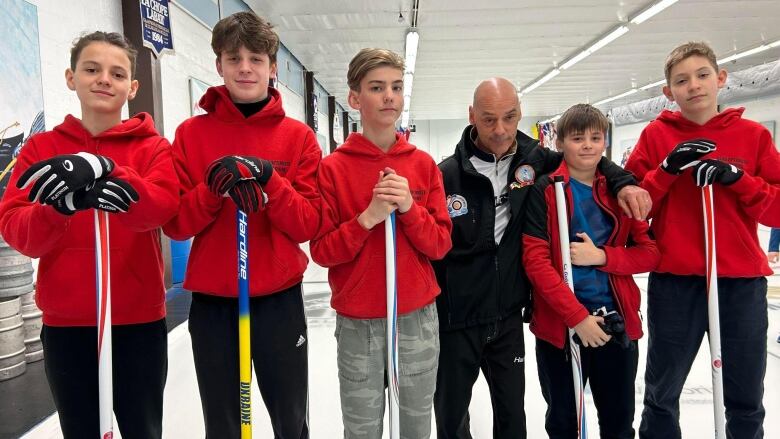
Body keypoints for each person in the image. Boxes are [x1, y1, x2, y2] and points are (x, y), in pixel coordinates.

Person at [432, 77, 651, 438]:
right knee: (451, 418)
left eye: (510, 117)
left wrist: (623, 181)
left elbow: (585, 160)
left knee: (512, 419)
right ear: (471, 115)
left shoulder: (534, 159)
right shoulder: (446, 175)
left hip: (506, 316)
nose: (501, 130)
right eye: (488, 120)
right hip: (458, 316)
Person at [0, 31, 179, 438]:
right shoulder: (40, 151)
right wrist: (57, 208)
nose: (104, 80)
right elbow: (18, 231)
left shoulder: (153, 149)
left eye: (117, 74)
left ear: (132, 87)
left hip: (137, 322)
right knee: (79, 430)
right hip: (68, 325)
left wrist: (110, 171)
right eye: (92, 69)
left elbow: (164, 208)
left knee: (143, 429)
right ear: (70, 77)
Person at [162, 12, 320, 438]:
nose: (245, 67)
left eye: (256, 58)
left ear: (273, 67)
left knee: (291, 419)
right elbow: (175, 224)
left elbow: (307, 222)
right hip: (214, 303)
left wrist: (272, 181)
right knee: (224, 423)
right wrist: (211, 192)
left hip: (278, 301)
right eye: (234, 58)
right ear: (219, 65)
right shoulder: (190, 134)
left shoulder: (298, 137)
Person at [624, 41, 780, 439]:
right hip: (676, 282)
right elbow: (633, 208)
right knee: (662, 391)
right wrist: (666, 170)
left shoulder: (754, 136)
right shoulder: (655, 136)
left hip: (740, 283)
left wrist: (740, 180)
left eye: (702, 75)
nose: (693, 85)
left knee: (746, 394)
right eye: (681, 80)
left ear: (721, 79)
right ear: (668, 92)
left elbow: (775, 212)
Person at [310, 48, 452, 438]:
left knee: (416, 428)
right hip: (360, 323)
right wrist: (368, 218)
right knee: (361, 430)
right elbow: (322, 251)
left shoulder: (422, 165)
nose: (389, 96)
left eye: (396, 87)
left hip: (416, 320)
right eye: (377, 87)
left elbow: (440, 245)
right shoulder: (333, 169)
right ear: (355, 98)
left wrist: (409, 207)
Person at [522, 104, 660, 438]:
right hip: (561, 326)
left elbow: (650, 255)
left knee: (617, 424)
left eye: (595, 137)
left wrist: (601, 256)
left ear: (605, 142)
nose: (587, 145)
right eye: (577, 137)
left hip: (614, 322)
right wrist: (576, 318)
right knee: (563, 422)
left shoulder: (622, 192)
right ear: (561, 143)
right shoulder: (544, 190)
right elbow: (535, 262)